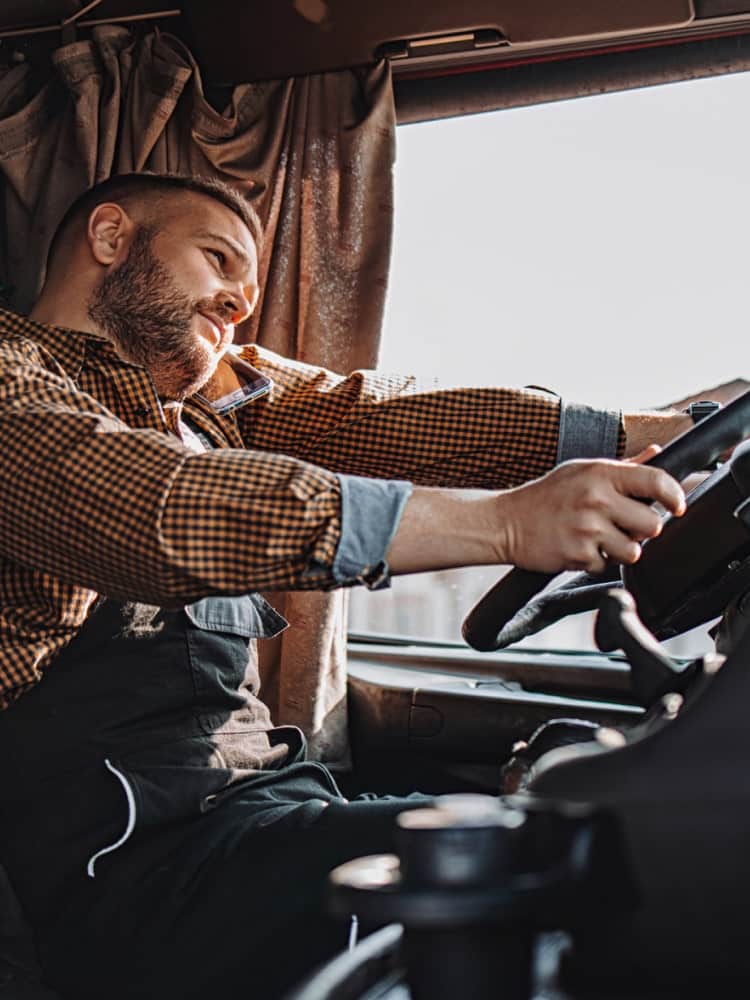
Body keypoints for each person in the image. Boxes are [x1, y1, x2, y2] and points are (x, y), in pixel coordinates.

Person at [0, 171, 716, 998]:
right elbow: (149, 505)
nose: (239, 303)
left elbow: (384, 416)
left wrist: (659, 435)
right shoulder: (15, 378)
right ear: (113, 236)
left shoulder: (210, 413)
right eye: (219, 260)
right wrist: (509, 526)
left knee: (603, 832)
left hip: (257, 809)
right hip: (130, 864)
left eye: (251, 287)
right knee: (602, 869)